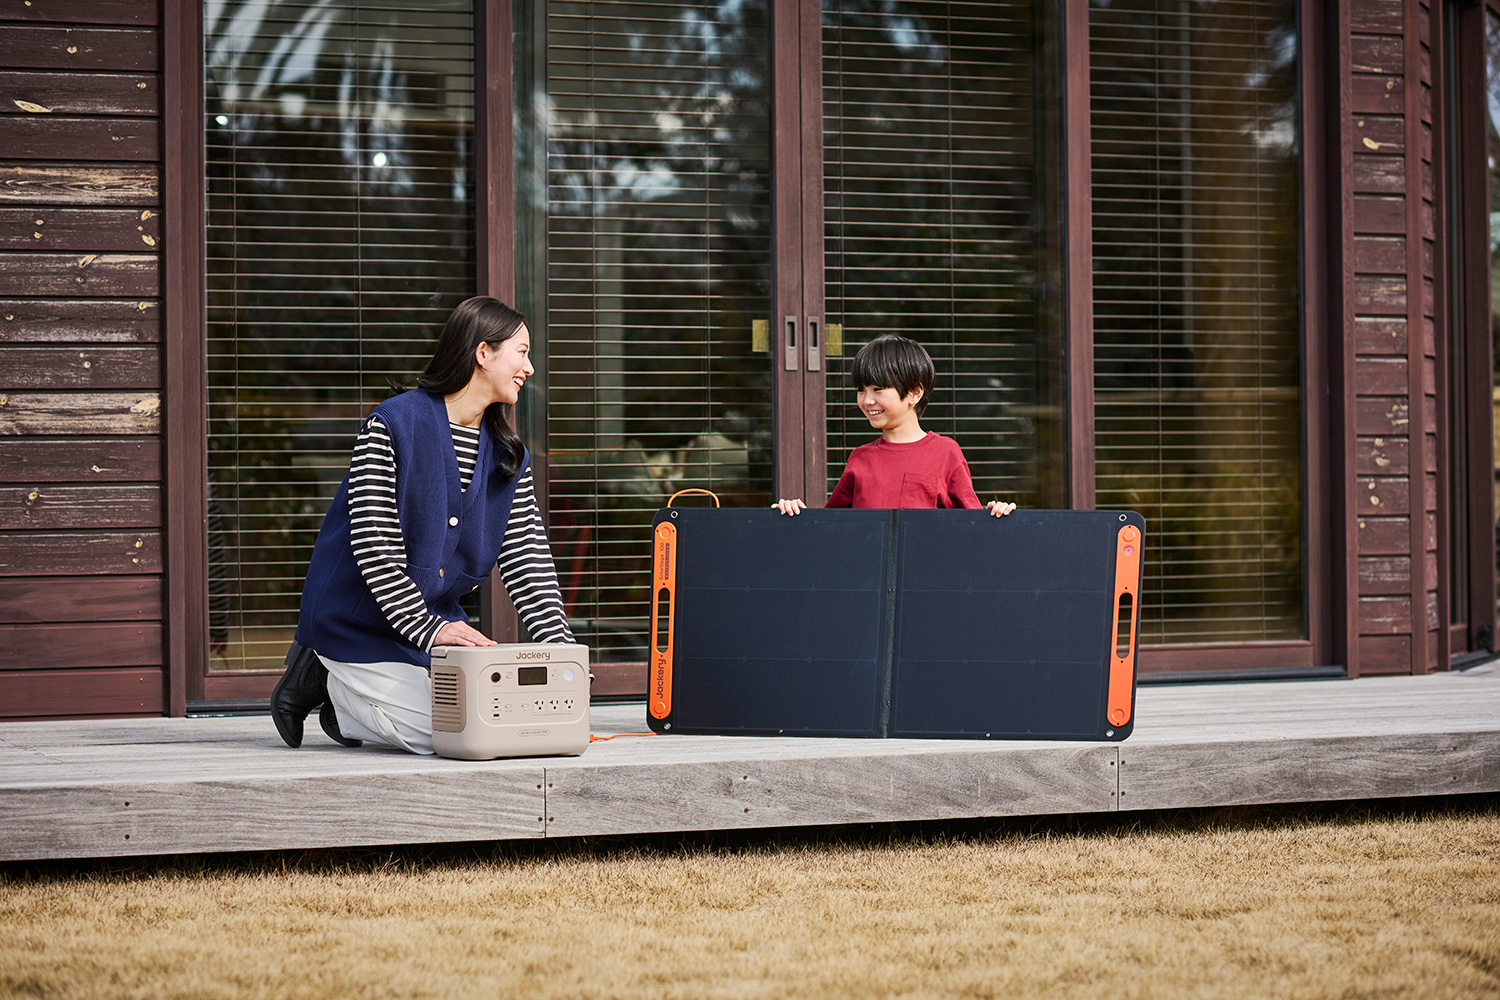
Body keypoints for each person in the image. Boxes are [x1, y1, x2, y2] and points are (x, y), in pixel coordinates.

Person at [271, 296, 576, 754]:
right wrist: (428, 629)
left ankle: (348, 705)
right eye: (522, 352)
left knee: (489, 723)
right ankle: (329, 679)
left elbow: (527, 560)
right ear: (483, 352)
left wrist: (562, 651)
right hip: (357, 620)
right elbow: (374, 543)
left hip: (432, 626)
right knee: (452, 732)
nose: (529, 368)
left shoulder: (509, 455)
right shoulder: (394, 424)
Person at [773, 335, 1017, 516]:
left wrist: (997, 514)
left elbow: (972, 527)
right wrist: (795, 513)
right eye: (861, 390)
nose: (867, 400)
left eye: (878, 389)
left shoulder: (946, 453)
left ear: (914, 393)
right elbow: (831, 528)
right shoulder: (859, 458)